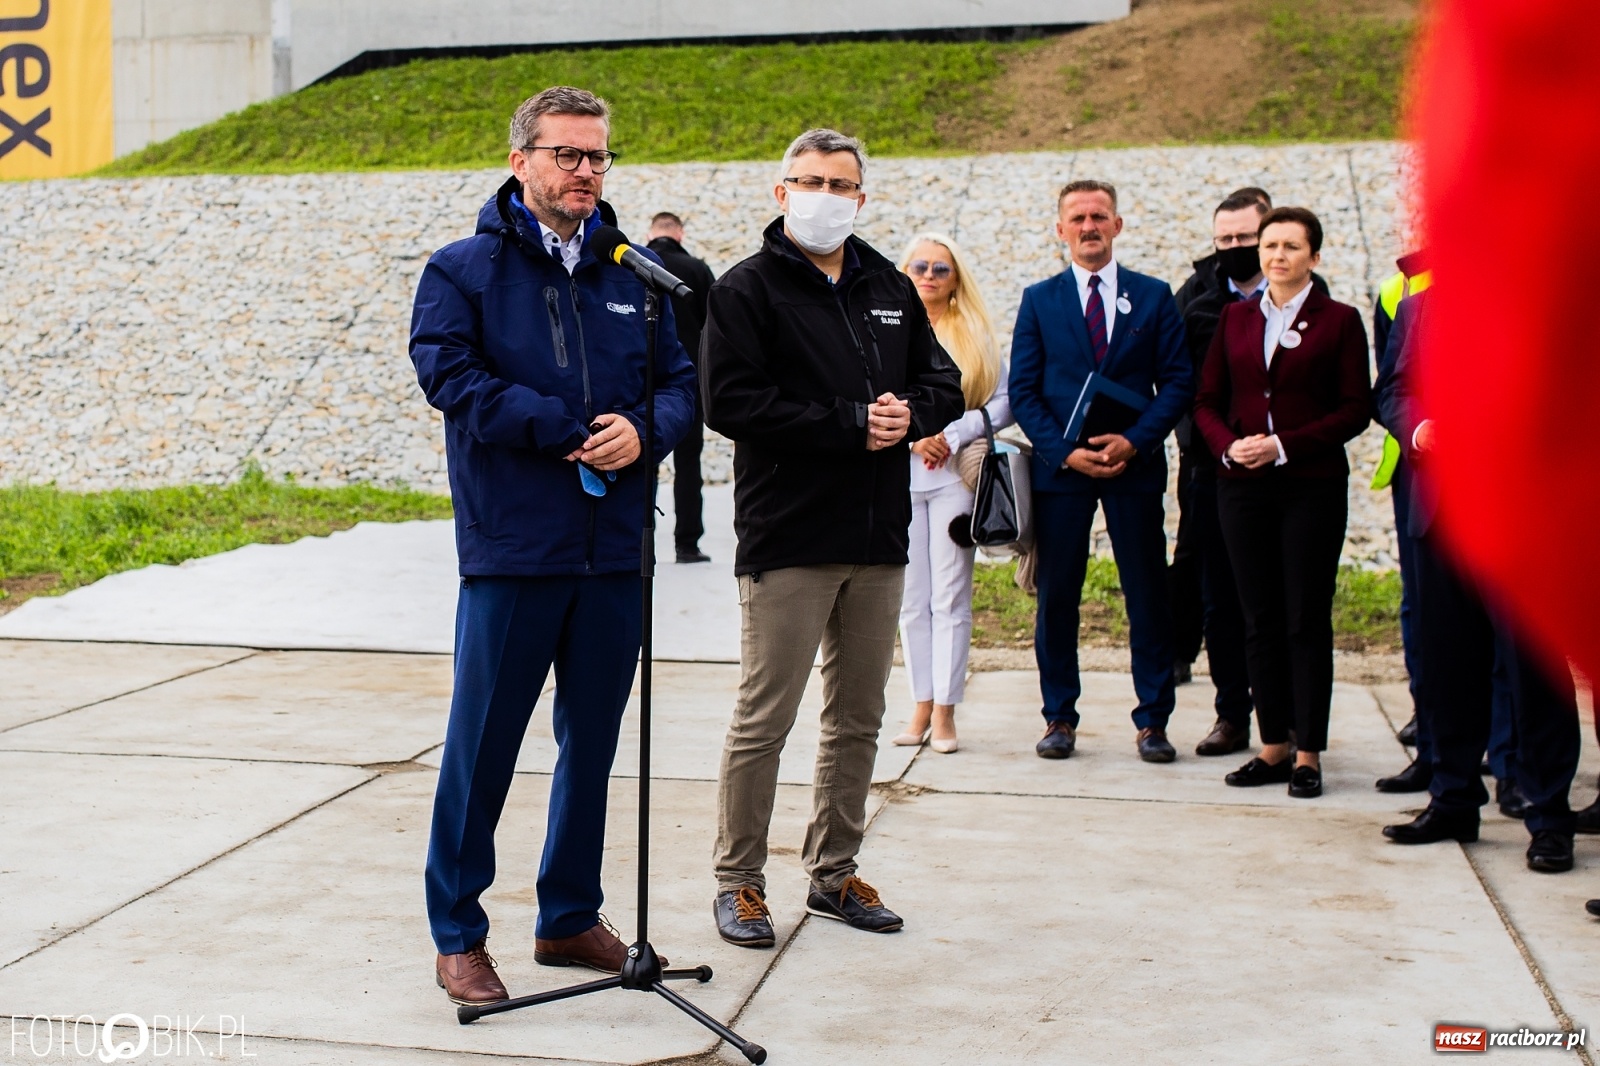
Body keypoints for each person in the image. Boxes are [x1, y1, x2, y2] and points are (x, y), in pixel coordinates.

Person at [409, 86, 697, 1005]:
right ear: (520, 160)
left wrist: (643, 432)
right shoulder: (463, 271)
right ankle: (459, 931)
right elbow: (449, 375)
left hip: (612, 552)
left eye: (598, 156)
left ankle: (568, 916)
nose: (585, 171)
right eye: (567, 154)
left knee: (594, 742)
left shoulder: (635, 276)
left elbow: (686, 389)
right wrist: (564, 426)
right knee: (482, 745)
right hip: (514, 552)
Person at [700, 129, 963, 948]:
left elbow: (942, 382)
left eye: (839, 183)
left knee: (857, 716)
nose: (823, 193)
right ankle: (739, 882)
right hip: (789, 535)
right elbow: (731, 403)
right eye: (808, 180)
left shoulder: (888, 284)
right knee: (764, 717)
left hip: (878, 534)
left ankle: (835, 872)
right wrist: (853, 422)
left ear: (860, 197)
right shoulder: (746, 290)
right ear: (781, 193)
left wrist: (909, 415)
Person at [1376, 292, 1582, 873]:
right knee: (1446, 666)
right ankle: (1453, 799)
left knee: (1532, 669)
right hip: (1439, 513)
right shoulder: (1419, 309)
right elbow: (1391, 389)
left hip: (1522, 518)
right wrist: (1417, 430)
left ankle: (1548, 816)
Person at [1009, 179, 1194, 764]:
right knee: (1058, 595)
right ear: (1060, 229)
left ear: (1118, 225)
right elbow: (1024, 389)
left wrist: (1136, 442)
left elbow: (1178, 382)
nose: (1089, 227)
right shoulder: (1040, 300)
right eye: (1078, 218)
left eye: (1099, 216)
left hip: (1132, 468)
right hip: (1062, 472)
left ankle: (1153, 720)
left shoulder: (1154, 296)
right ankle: (1059, 716)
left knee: (1147, 595)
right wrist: (1063, 452)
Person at [1193, 206, 1371, 799]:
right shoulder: (1237, 319)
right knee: (1258, 616)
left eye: (1291, 246)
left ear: (1313, 257)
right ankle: (1270, 746)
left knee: (1304, 618)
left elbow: (1354, 409)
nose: (1277, 256)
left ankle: (1308, 752)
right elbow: (1206, 401)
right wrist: (1230, 447)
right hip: (1242, 487)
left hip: (1309, 486)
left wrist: (1282, 445)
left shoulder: (1341, 321)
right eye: (1270, 245)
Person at [1169, 188, 1311, 758]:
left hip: (1292, 474)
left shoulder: (1309, 299)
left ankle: (1297, 720)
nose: (1234, 248)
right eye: (1223, 239)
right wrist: (1211, 446)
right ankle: (1233, 715)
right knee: (1221, 599)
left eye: (1245, 239)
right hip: (1212, 472)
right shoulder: (1197, 297)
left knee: (1290, 600)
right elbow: (1179, 383)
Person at [889, 232, 1012, 755]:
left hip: (954, 480)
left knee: (951, 596)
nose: (929, 276)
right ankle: (919, 701)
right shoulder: (885, 327)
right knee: (912, 601)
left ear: (956, 277)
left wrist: (951, 434)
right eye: (920, 266)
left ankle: (946, 710)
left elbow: (1004, 402)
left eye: (941, 269)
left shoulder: (977, 333)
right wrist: (916, 434)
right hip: (899, 475)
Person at [646, 211, 719, 563]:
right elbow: (716, 324)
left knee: (641, 463)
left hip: (641, 384)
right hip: (687, 383)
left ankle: (637, 542)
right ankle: (687, 544)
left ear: (651, 233)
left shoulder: (632, 265)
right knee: (689, 463)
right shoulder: (697, 270)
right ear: (680, 233)